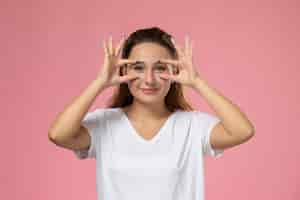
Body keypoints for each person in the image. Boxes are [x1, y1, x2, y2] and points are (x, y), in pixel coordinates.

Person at [48, 27, 255, 200]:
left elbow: (242, 131)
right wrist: (99, 83)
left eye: (160, 68)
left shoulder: (192, 126)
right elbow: (59, 135)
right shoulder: (105, 124)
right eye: (138, 67)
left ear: (174, 72)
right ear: (124, 72)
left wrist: (197, 82)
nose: (149, 79)